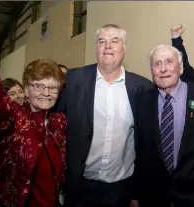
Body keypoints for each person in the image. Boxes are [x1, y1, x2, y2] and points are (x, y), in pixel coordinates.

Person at [0, 3, 66, 207]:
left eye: (53, 87)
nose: (46, 93)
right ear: (26, 87)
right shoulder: (13, 117)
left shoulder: (59, 122)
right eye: (39, 86)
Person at [56, 24, 153, 207]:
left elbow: (146, 144)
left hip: (121, 189)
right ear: (96, 48)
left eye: (114, 41)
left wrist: (137, 191)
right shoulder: (73, 80)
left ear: (124, 49)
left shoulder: (142, 88)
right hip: (79, 185)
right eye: (102, 41)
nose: (107, 46)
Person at [133, 44, 194, 207]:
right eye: (157, 64)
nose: (163, 69)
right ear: (152, 70)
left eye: (169, 62)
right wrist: (136, 194)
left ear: (180, 68)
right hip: (154, 197)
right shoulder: (142, 101)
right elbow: (139, 151)